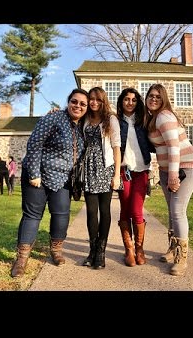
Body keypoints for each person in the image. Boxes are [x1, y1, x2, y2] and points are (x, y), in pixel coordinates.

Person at [10, 88, 89, 278]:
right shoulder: (53, 118)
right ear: (68, 102)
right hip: (38, 176)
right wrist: (34, 174)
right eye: (74, 101)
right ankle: (21, 258)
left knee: (61, 214)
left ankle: (56, 250)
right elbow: (35, 143)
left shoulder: (81, 127)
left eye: (82, 104)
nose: (78, 106)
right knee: (32, 216)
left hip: (62, 180)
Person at [144, 83, 193, 276]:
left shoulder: (164, 116)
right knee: (171, 211)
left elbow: (174, 147)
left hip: (185, 168)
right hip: (168, 170)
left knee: (177, 211)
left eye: (158, 97)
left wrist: (174, 175)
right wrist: (166, 174)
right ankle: (172, 248)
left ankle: (181, 259)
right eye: (151, 95)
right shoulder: (152, 118)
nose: (153, 99)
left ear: (164, 99)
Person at [81, 87, 121, 269]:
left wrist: (116, 175)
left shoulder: (110, 119)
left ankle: (101, 252)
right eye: (91, 99)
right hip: (88, 168)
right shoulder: (86, 118)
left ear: (103, 100)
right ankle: (92, 249)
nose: (94, 102)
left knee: (105, 211)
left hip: (105, 168)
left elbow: (116, 148)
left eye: (98, 99)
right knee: (91, 211)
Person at [115, 87, 154, 267]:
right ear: (121, 102)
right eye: (126, 99)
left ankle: (139, 248)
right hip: (124, 171)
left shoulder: (144, 121)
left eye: (133, 100)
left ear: (137, 102)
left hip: (142, 171)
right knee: (125, 209)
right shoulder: (115, 121)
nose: (130, 102)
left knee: (137, 210)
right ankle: (128, 249)